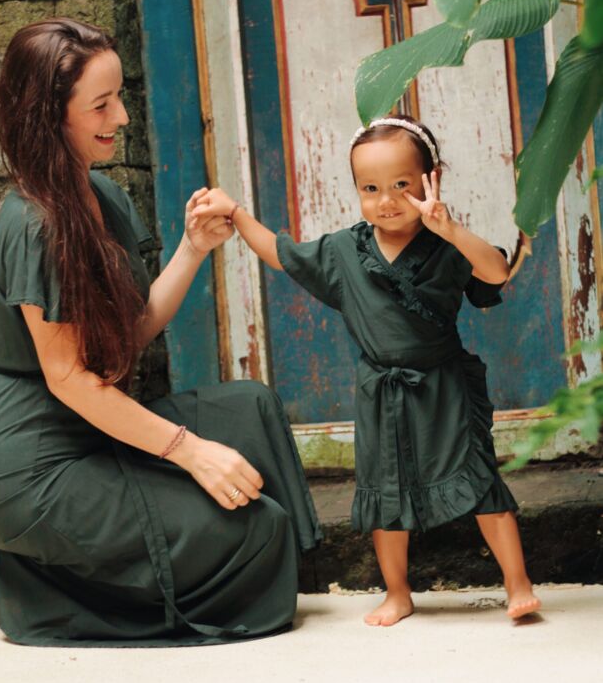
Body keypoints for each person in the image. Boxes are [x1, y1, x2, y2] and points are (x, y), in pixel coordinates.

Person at [0, 17, 321, 647]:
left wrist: (192, 248)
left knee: (252, 409)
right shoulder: (35, 226)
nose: (123, 117)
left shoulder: (102, 196)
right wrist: (188, 450)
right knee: (257, 528)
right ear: (48, 114)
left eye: (121, 97)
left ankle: (252, 570)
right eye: (101, 104)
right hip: (33, 469)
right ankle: (41, 594)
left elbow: (126, 336)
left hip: (91, 433)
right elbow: (72, 378)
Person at [190, 115, 542, 626]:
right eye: (370, 188)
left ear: (431, 178)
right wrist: (237, 213)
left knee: (480, 481)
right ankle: (397, 593)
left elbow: (495, 272)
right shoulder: (342, 252)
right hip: (382, 391)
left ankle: (518, 582)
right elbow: (281, 254)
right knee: (384, 495)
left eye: (402, 185)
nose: (387, 200)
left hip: (443, 384)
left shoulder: (447, 245)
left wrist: (451, 228)